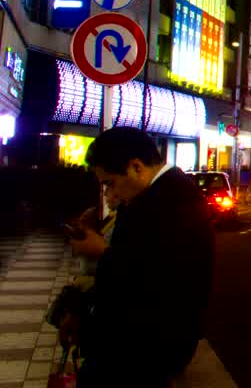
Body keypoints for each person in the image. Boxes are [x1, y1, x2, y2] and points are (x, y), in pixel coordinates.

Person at [68, 127, 214, 387]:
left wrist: (101, 251)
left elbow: (153, 279)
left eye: (110, 183)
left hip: (143, 350)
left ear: (136, 167)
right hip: (142, 345)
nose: (111, 193)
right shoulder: (164, 193)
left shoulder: (169, 201)